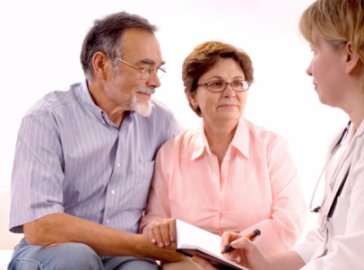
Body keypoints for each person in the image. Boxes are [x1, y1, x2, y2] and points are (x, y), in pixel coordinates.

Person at [194, 0, 364, 269]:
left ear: (349, 56)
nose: (309, 68)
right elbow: (323, 238)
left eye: (314, 50)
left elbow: (352, 259)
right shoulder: (344, 140)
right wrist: (264, 264)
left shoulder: (273, 146)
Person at [8, 11, 184, 270]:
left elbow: (194, 175)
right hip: (51, 250)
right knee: (77, 259)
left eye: (158, 70)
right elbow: (40, 227)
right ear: (101, 64)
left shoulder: (161, 121)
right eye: (145, 68)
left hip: (124, 256)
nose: (156, 81)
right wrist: (140, 245)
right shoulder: (46, 118)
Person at [139, 40, 306, 269]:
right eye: (217, 84)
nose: (230, 92)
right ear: (192, 96)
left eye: (238, 83)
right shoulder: (170, 154)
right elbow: (152, 222)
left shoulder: (272, 147)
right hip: (190, 265)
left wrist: (228, 254)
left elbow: (289, 222)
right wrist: (161, 231)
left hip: (254, 264)